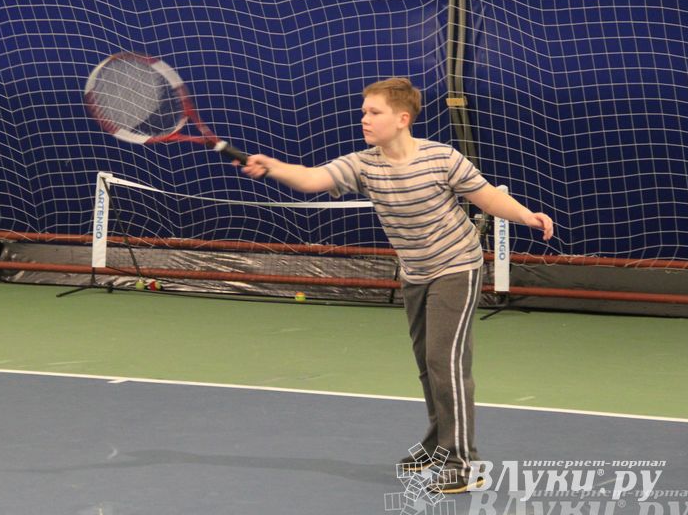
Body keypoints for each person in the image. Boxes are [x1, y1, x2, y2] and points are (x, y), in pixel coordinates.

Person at [237, 77, 554, 493]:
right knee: (427, 365)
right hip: (416, 273)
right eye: (364, 111)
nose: (364, 119)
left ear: (402, 118)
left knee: (446, 363)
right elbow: (313, 179)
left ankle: (463, 462)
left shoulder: (442, 158)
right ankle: (438, 443)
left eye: (374, 112)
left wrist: (526, 215)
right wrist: (273, 166)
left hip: (457, 267)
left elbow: (487, 197)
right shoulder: (364, 164)